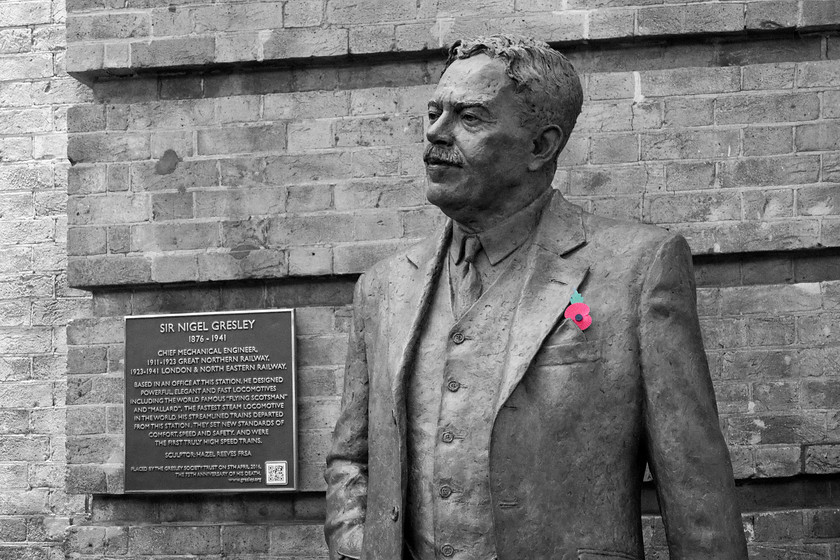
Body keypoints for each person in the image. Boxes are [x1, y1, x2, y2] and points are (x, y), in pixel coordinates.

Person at [325, 35, 748, 560]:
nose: (436, 132)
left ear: (540, 146)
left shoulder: (638, 269)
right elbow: (352, 459)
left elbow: (694, 484)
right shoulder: (383, 287)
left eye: (470, 118)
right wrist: (354, 548)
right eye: (434, 112)